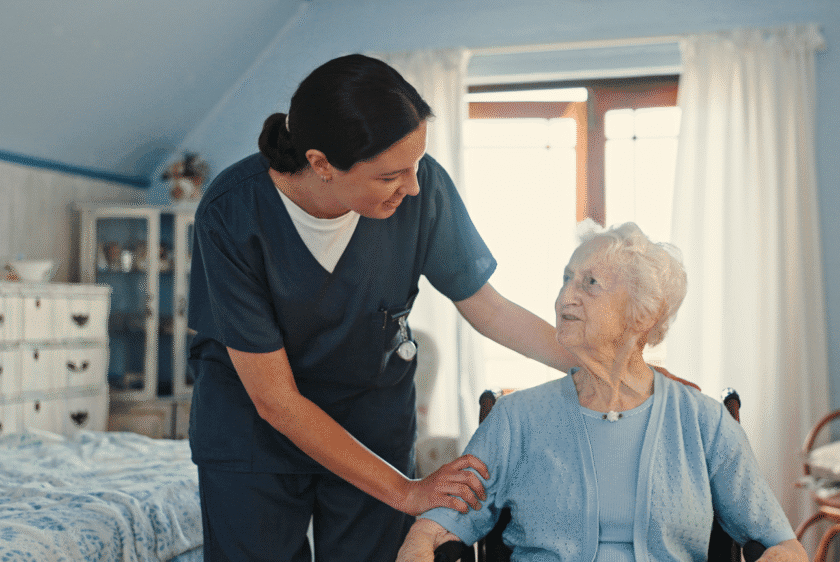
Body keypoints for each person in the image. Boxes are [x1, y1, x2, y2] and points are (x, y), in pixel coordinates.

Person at [186, 53, 583, 562]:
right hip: (253, 435)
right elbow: (276, 401)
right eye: (392, 175)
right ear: (321, 164)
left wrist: (602, 363)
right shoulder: (231, 213)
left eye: (417, 164)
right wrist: (406, 491)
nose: (414, 186)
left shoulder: (422, 189)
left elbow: (489, 307)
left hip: (370, 423)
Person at [397, 221, 808, 562]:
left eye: (590, 283)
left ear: (642, 314)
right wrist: (419, 541)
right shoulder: (516, 418)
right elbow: (432, 531)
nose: (565, 297)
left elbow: (781, 544)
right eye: (565, 280)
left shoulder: (704, 423)